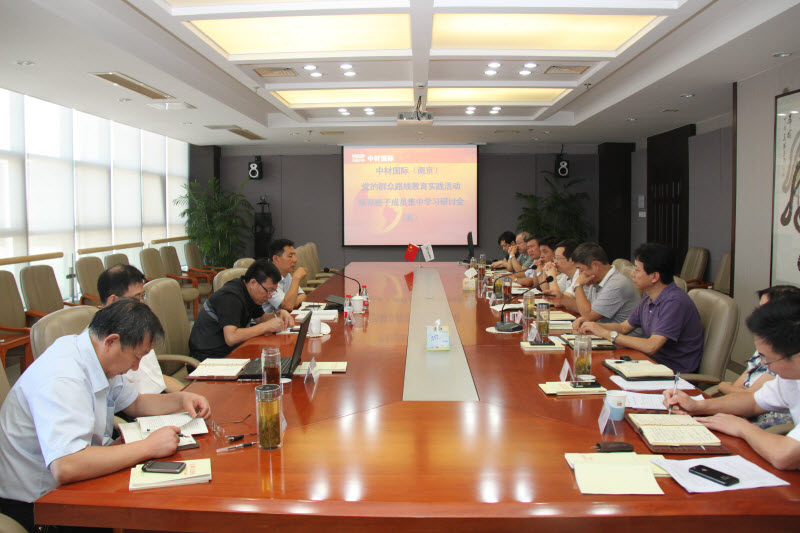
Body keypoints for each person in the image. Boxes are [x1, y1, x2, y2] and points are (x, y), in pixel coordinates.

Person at [0, 300, 211, 530]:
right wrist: (148, 446)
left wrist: (180, 399)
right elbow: (66, 465)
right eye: (136, 357)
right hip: (41, 503)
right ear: (111, 341)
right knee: (157, 514)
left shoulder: (96, 355)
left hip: (77, 477)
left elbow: (135, 403)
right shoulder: (62, 376)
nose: (136, 367)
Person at [664, 294, 800, 470]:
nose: (763, 364)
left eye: (767, 359)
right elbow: (754, 402)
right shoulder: (790, 377)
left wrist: (742, 428)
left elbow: (784, 456)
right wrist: (697, 406)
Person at [574, 243, 703, 373]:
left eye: (637, 270)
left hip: (672, 372)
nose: (633, 274)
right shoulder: (649, 296)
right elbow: (624, 327)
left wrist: (607, 334)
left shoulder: (674, 302)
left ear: (654, 277)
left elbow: (651, 346)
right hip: (649, 363)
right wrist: (593, 326)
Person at [716, 285, 800, 429]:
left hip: (766, 425)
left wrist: (723, 386)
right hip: (744, 414)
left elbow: (750, 396)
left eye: (764, 311)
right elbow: (747, 395)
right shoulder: (766, 349)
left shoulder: (784, 361)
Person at [98, 264, 183, 393]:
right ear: (113, 301)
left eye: (142, 297)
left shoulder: (135, 329)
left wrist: (187, 394)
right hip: (144, 404)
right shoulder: (106, 345)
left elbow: (157, 378)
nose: (142, 304)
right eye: (136, 298)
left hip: (160, 399)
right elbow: (131, 401)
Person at [188, 259, 293, 360]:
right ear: (253, 283)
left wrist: (278, 314)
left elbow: (260, 318)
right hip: (209, 358)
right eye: (268, 291)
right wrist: (266, 326)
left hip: (231, 351)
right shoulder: (230, 297)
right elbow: (231, 337)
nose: (270, 296)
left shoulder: (250, 292)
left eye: (273, 291)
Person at [544, 242, 639, 323]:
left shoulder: (616, 284)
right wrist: (562, 297)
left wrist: (578, 285)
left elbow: (588, 317)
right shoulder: (596, 279)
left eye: (581, 269)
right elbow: (585, 310)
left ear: (595, 265)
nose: (580, 274)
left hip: (618, 338)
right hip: (603, 333)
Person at [262, 238, 307, 313]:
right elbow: (288, 306)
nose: (295, 260)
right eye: (290, 256)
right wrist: (296, 278)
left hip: (280, 316)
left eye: (294, 255)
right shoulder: (267, 277)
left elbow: (302, 295)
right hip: (265, 319)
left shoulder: (285, 273)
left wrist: (292, 302)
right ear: (276, 258)